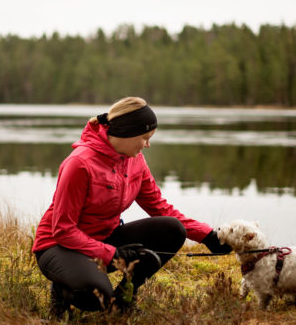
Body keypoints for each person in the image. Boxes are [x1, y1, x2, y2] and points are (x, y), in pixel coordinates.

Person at [32, 96, 232, 316]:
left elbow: (160, 207)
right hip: (59, 246)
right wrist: (113, 254)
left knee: (173, 229)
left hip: (104, 239)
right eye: (144, 138)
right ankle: (62, 290)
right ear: (126, 133)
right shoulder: (79, 164)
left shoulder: (135, 159)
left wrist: (207, 236)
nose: (147, 144)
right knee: (94, 296)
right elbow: (63, 230)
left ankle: (123, 300)